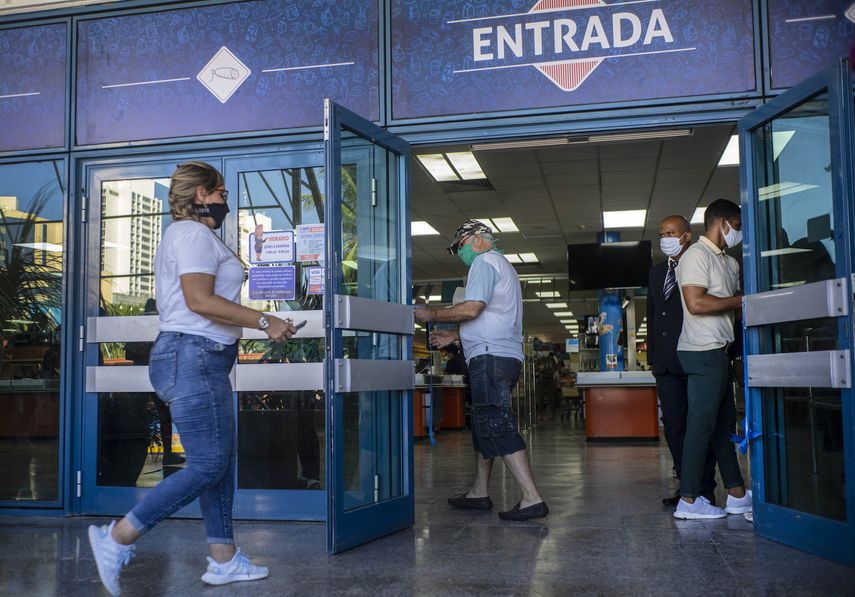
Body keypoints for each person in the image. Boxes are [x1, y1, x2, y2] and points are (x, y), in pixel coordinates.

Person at [88, 161, 299, 595]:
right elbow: (198, 300)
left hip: (200, 356)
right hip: (193, 355)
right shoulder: (191, 234)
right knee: (207, 464)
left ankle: (223, 561)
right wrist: (265, 321)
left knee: (219, 462)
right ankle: (117, 539)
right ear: (201, 194)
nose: (226, 200)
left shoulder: (195, 236)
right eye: (221, 192)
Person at [415, 220, 547, 521]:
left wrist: (430, 314)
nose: (459, 253)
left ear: (476, 240)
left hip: (491, 358)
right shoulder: (504, 266)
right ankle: (479, 491)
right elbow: (493, 318)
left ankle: (531, 498)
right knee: (485, 423)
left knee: (496, 421)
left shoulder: (484, 261)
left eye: (459, 246)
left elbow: (473, 308)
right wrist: (456, 337)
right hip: (499, 354)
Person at [673, 199, 752, 520]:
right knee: (700, 427)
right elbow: (696, 303)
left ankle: (736, 493)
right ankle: (689, 500)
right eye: (737, 224)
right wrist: (741, 300)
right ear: (722, 221)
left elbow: (729, 310)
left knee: (722, 427)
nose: (739, 232)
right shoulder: (696, 255)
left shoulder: (728, 262)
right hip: (700, 351)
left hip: (719, 350)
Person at [647, 215, 718, 507]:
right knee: (674, 426)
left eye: (671, 232)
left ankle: (704, 488)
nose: (665, 237)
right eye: (662, 233)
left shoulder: (699, 263)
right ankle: (685, 486)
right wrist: (652, 358)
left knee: (699, 425)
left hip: (694, 356)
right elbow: (653, 315)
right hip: (665, 363)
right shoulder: (656, 272)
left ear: (686, 236)